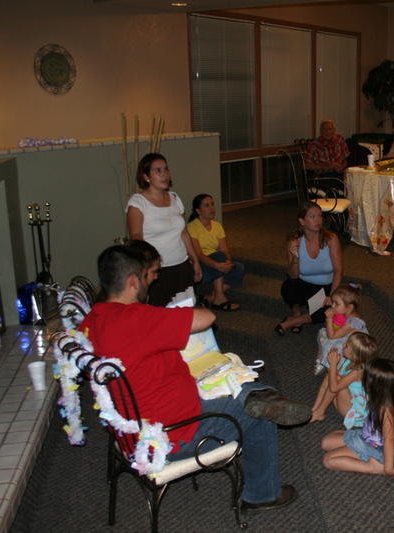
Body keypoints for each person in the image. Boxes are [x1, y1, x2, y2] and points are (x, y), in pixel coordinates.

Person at [80, 244, 311, 512]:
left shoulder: (91, 320)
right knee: (259, 415)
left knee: (240, 386)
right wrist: (165, 315)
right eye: (146, 276)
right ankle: (262, 495)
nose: (151, 281)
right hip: (173, 433)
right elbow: (207, 317)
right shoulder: (137, 318)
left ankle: (257, 395)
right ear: (133, 281)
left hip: (131, 431)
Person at [126, 152, 202, 306]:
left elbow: (184, 233)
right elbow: (136, 237)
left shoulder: (175, 198)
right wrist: (148, 268)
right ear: (146, 176)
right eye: (158, 170)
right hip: (157, 271)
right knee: (160, 314)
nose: (164, 174)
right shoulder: (138, 203)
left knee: (184, 310)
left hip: (181, 265)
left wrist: (195, 260)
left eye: (166, 169)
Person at [321, 358, 394, 477]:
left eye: (366, 376)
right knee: (325, 442)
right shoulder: (379, 397)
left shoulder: (386, 412)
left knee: (328, 460)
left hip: (372, 448)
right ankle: (353, 444)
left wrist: (389, 468)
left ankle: (373, 467)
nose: (362, 377)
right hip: (364, 435)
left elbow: (389, 441)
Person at [275, 202, 343, 335]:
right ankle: (296, 311)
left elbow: (338, 270)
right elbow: (293, 275)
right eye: (312, 216)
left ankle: (293, 321)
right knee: (288, 287)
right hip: (303, 285)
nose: (318, 220)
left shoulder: (331, 239)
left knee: (331, 309)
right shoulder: (294, 240)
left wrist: (332, 295)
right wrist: (295, 257)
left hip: (325, 287)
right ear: (302, 221)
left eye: (320, 216)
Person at [187, 193, 244, 312]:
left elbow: (224, 249)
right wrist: (217, 265)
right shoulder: (191, 227)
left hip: (217, 263)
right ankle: (220, 299)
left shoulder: (217, 226)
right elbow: (199, 255)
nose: (212, 208)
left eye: (212, 204)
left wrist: (227, 263)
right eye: (207, 205)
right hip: (200, 269)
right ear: (198, 210)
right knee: (219, 256)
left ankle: (211, 297)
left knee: (239, 268)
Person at [310, 332, 377, 426]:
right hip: (345, 400)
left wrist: (333, 365)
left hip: (352, 410)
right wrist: (332, 366)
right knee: (330, 376)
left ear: (354, 355)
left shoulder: (357, 372)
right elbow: (334, 377)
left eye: (347, 346)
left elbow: (334, 388)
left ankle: (320, 412)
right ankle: (315, 408)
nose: (344, 345)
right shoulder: (349, 361)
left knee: (336, 379)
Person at [314, 284, 368, 374]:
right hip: (344, 336)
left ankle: (334, 370)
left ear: (349, 307)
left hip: (353, 347)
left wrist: (329, 319)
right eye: (333, 302)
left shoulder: (353, 323)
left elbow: (332, 336)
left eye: (336, 304)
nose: (333, 306)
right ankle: (323, 357)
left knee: (331, 345)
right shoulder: (345, 312)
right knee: (322, 332)